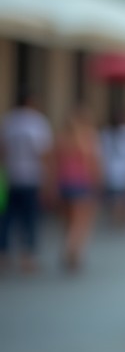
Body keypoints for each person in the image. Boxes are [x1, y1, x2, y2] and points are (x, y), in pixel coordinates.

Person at [0, 90, 53, 274]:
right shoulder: (37, 122)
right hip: (31, 175)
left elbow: (3, 150)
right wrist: (48, 178)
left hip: (11, 175)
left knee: (7, 217)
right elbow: (43, 152)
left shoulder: (8, 121)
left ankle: (4, 253)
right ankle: (27, 256)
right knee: (29, 218)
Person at [54, 103, 102, 272]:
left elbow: (55, 164)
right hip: (82, 183)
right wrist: (97, 183)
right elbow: (93, 164)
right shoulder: (88, 138)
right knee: (81, 222)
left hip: (64, 183)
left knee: (68, 222)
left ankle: (69, 249)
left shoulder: (62, 138)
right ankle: (72, 251)